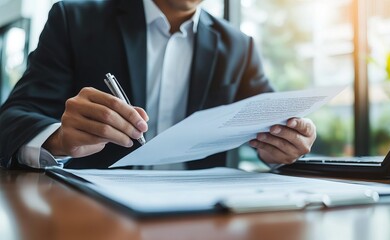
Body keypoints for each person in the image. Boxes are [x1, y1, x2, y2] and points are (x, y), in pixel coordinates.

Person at [0, 0, 316, 169]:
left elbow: (274, 124)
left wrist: (287, 145)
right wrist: (57, 139)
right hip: (90, 215)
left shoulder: (238, 46)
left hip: (204, 216)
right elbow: (12, 120)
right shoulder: (74, 19)